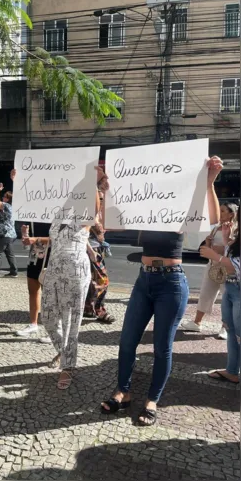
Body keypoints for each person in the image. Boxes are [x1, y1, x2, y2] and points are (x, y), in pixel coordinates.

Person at [100, 156, 223, 426]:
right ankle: (123, 391)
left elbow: (212, 219)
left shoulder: (181, 208)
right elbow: (108, 223)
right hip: (144, 281)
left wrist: (210, 182)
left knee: (161, 347)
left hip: (171, 283)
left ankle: (152, 399)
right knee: (127, 341)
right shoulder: (145, 207)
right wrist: (107, 191)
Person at [41, 168, 109, 390]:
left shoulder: (84, 214)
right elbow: (55, 238)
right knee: (48, 318)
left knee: (71, 321)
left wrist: (92, 181)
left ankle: (68, 366)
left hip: (76, 271)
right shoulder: (58, 212)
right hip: (53, 270)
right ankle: (64, 351)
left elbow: (95, 211)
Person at [181, 202, 238, 338]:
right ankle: (197, 322)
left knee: (226, 297)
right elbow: (211, 246)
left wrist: (221, 248)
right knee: (206, 293)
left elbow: (234, 251)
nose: (220, 213)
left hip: (227, 268)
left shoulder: (236, 229)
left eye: (223, 211)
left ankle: (226, 327)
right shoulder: (216, 228)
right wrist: (208, 243)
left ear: (232, 214)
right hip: (212, 266)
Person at [200, 207, 240, 384]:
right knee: (231, 331)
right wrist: (226, 239)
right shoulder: (236, 232)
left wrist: (214, 256)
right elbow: (233, 255)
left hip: (238, 289)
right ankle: (232, 371)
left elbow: (236, 265)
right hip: (230, 288)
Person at [84, 191, 115, 324]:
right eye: (100, 198)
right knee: (101, 281)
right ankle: (99, 309)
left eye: (103, 198)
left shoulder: (99, 214)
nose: (102, 201)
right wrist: (90, 251)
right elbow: (84, 235)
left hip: (97, 250)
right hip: (90, 251)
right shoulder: (88, 213)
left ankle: (89, 308)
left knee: (92, 282)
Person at [16, 222, 51, 337]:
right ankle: (33, 323)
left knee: (49, 294)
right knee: (33, 291)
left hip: (50, 257)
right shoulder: (32, 218)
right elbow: (26, 244)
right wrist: (25, 234)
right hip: (34, 257)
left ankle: (52, 328)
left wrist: (36, 239)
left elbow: (58, 239)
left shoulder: (57, 217)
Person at [0, 182, 18, 278]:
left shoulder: (7, 206)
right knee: (9, 253)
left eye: (5, 196)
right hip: (9, 234)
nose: (3, 198)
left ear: (9, 199)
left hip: (4, 234)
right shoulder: (10, 207)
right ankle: (14, 271)